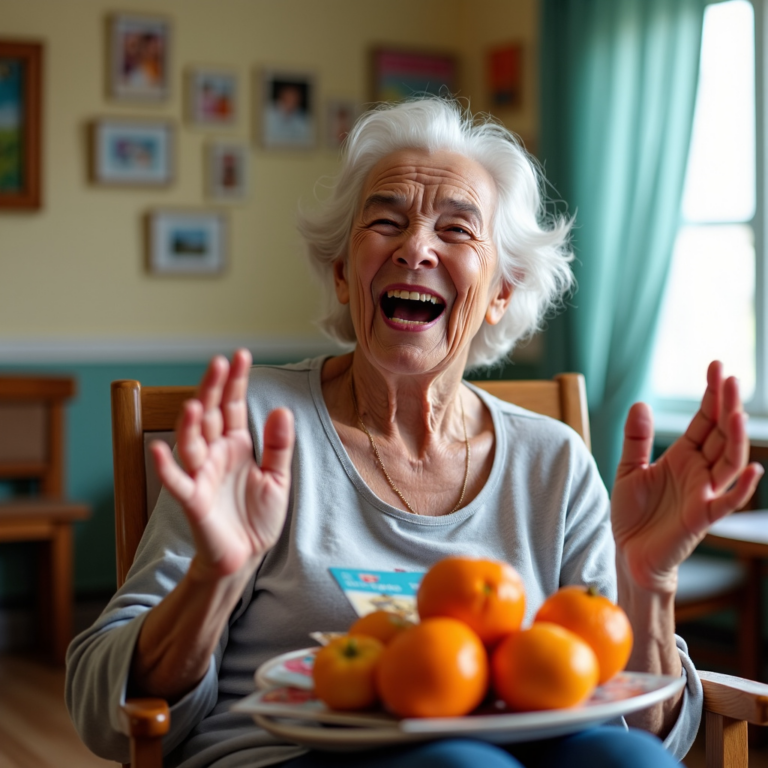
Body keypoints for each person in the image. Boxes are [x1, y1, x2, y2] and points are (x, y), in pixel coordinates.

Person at [66, 98, 762, 768]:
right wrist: (213, 582)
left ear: (501, 293)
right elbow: (102, 706)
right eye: (385, 222)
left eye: (457, 229)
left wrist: (647, 582)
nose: (415, 248)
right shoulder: (260, 429)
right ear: (343, 274)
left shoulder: (552, 461)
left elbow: (643, 728)